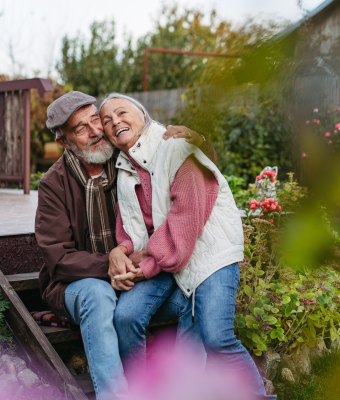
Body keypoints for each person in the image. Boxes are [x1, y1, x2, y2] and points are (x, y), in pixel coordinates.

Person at [35, 91, 213, 400]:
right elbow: (59, 258)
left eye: (96, 121)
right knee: (98, 293)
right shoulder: (53, 184)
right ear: (64, 142)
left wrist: (199, 140)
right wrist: (112, 262)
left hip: (141, 276)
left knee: (196, 295)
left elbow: (184, 164)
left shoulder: (127, 156)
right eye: (81, 128)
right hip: (78, 283)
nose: (94, 132)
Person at [100, 93, 275, 399]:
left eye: (121, 112)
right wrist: (122, 252)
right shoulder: (123, 168)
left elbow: (184, 222)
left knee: (217, 337)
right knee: (126, 317)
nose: (115, 122)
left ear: (143, 116)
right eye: (106, 120)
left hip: (207, 253)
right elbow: (128, 224)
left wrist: (143, 268)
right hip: (165, 258)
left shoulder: (179, 148)